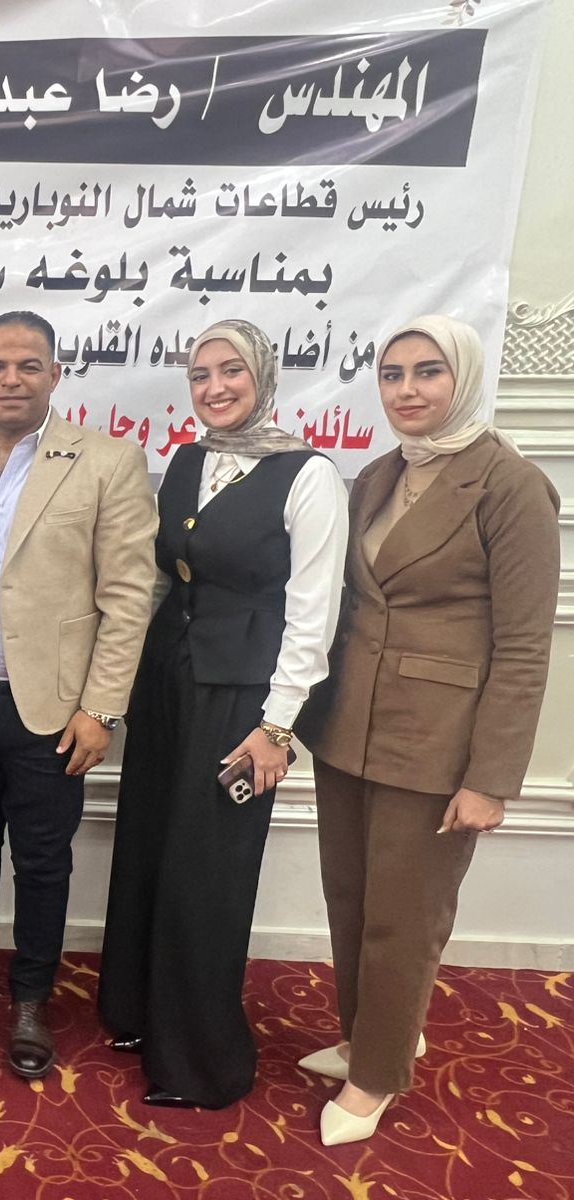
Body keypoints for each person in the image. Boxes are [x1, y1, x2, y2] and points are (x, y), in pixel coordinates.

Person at [295, 315, 559, 1145]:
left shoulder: (512, 485)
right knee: (350, 900)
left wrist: (491, 779)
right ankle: (365, 1038)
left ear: (464, 378)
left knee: (403, 918)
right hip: (349, 728)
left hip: (437, 743)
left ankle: (377, 1075)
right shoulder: (378, 474)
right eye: (392, 374)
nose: (406, 390)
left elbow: (524, 647)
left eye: (427, 372)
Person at [97, 318, 349, 1109]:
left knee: (207, 871)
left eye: (230, 370)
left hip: (242, 699)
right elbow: (165, 577)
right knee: (149, 847)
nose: (214, 388)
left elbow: (313, 616)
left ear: (262, 375)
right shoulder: (187, 459)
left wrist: (277, 729)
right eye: (200, 374)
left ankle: (201, 1065)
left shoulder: (309, 475)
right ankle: (139, 1016)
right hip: (167, 681)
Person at [0, 312, 158, 1081]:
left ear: (55, 374)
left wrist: (101, 709)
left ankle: (30, 999)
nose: (10, 379)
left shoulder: (108, 461)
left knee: (43, 861)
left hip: (53, 711)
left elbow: (129, 596)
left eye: (27, 365)